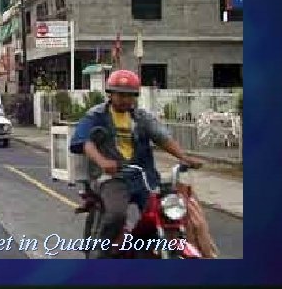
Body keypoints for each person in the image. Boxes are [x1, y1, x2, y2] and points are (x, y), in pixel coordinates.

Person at [70, 69, 203, 257]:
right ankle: (102, 253)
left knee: (164, 213)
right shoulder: (96, 115)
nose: (125, 99)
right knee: (117, 214)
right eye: (120, 95)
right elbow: (84, 142)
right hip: (112, 177)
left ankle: (149, 251)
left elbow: (162, 138)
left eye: (130, 95)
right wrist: (103, 161)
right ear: (110, 94)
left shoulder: (141, 117)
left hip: (143, 177)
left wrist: (184, 157)